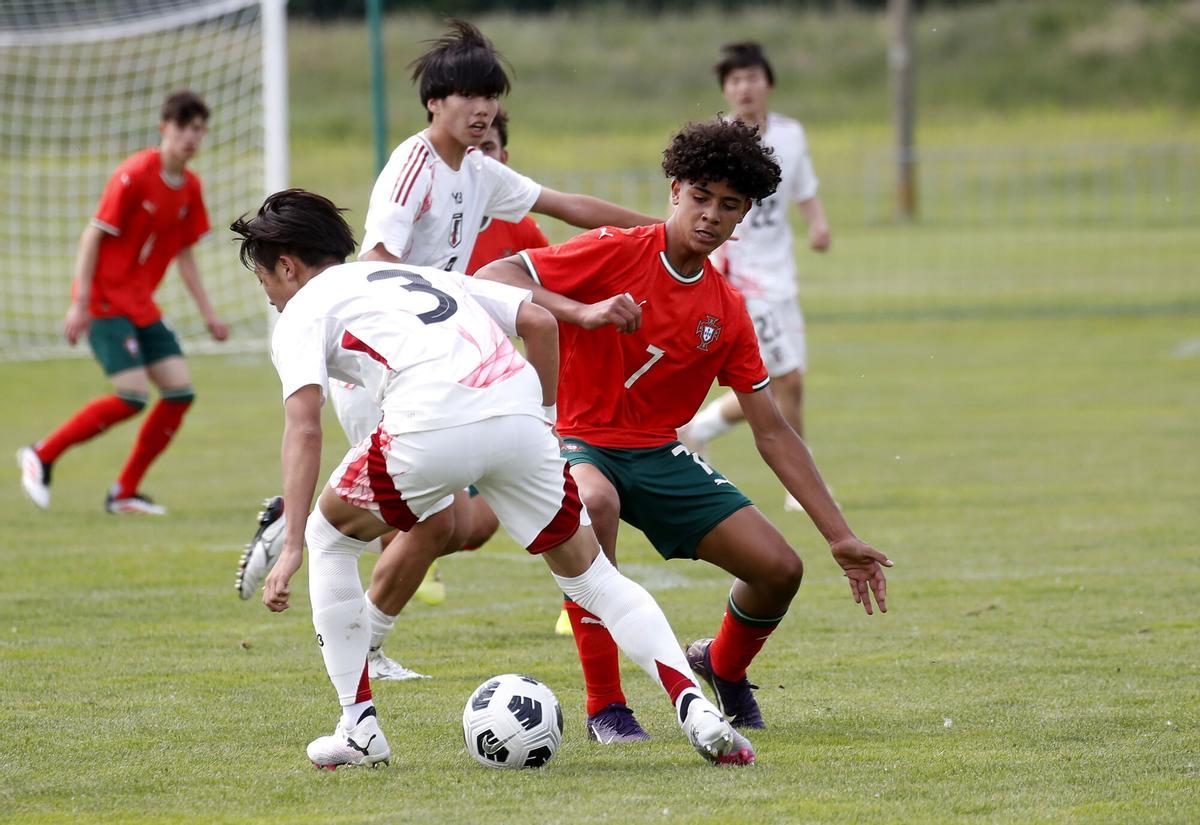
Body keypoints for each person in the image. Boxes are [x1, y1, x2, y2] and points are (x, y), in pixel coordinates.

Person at [230, 188, 755, 769]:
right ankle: (695, 708)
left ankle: (358, 731)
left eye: (266, 282)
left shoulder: (305, 308)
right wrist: (547, 425)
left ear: (286, 265)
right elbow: (536, 320)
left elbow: (304, 428)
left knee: (333, 539)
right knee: (594, 579)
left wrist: (294, 541)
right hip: (518, 416)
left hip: (428, 423)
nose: (273, 298)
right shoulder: (414, 276)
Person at [236, 20, 659, 678]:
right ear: (435, 102)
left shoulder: (480, 169)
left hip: (440, 363)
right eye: (466, 93)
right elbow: (376, 261)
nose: (482, 107)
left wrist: (665, 233)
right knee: (438, 525)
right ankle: (355, 638)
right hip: (381, 370)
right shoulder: (413, 168)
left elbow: (567, 204)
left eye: (490, 94)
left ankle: (346, 605)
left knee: (465, 525)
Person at [476, 117, 890, 741]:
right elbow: (493, 278)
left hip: (660, 455)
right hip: (579, 440)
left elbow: (772, 431)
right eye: (700, 197)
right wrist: (579, 311)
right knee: (594, 502)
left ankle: (721, 665)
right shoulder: (617, 248)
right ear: (674, 190)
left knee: (780, 570)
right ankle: (605, 707)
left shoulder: (726, 309)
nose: (711, 215)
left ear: (744, 214)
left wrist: (839, 535)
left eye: (729, 206)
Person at [17, 90, 227, 515]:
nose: (192, 137)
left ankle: (124, 491)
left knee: (179, 391)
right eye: (185, 128)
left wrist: (209, 314)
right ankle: (41, 454)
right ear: (164, 128)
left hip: (140, 304)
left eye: (199, 129)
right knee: (131, 395)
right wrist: (81, 303)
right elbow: (93, 235)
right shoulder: (134, 174)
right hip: (105, 300)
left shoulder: (191, 187)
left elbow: (185, 253)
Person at [680, 43, 832, 513]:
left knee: (785, 380)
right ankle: (799, 487)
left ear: (768, 83)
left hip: (781, 274)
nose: (744, 88)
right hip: (741, 275)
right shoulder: (718, 139)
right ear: (726, 90)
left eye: (752, 78)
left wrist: (818, 223)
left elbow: (802, 188)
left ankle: (700, 430)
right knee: (785, 378)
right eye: (734, 81)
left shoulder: (790, 135)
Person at [464, 109, 550, 275]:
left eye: (487, 148)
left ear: (503, 158)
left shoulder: (524, 229)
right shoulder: (426, 220)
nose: (477, 157)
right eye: (468, 149)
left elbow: (547, 285)